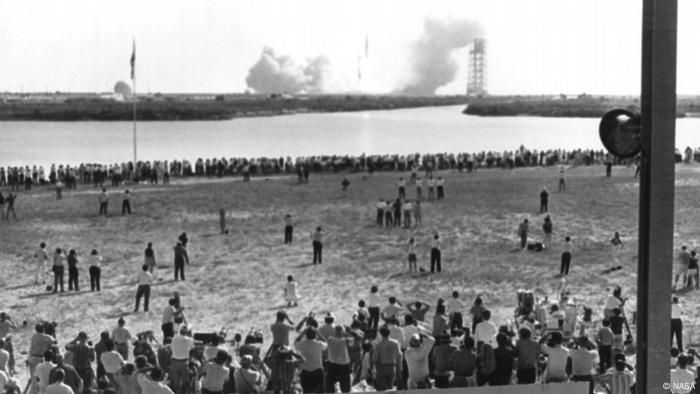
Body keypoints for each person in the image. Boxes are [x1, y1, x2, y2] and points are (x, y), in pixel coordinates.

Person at [294, 328, 326, 394]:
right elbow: (326, 343)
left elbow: (295, 343)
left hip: (305, 372)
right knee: (320, 391)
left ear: (306, 336)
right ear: (315, 336)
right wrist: (319, 333)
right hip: (318, 371)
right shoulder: (319, 344)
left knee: (306, 391)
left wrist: (302, 333)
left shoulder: (302, 345)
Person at [372, 325, 402, 391]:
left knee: (382, 388)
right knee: (390, 387)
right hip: (392, 367)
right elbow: (399, 356)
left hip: (382, 368)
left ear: (381, 334)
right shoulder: (395, 343)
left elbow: (374, 358)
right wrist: (399, 369)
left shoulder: (379, 345)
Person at [326, 326, 352, 393]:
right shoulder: (345, 340)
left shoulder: (330, 339)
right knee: (345, 386)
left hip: (332, 364)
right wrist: (347, 333)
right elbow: (351, 343)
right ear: (342, 331)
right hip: (343, 365)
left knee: (330, 385)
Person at [170, 327, 194, 394]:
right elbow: (192, 348)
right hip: (184, 362)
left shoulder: (174, 338)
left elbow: (172, 348)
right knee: (186, 382)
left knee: (176, 383)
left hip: (174, 362)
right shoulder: (190, 340)